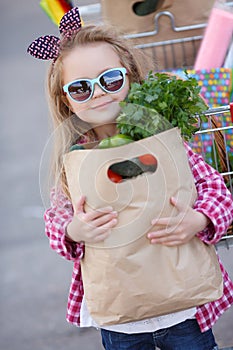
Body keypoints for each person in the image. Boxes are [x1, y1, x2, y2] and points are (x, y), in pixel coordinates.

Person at [27, 7, 233, 350]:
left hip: (182, 307)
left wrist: (199, 218)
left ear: (131, 76)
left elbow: (216, 189)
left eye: (110, 80)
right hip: (121, 316)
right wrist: (74, 230)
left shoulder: (163, 140)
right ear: (65, 100)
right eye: (80, 88)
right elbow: (57, 218)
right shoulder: (76, 159)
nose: (99, 93)